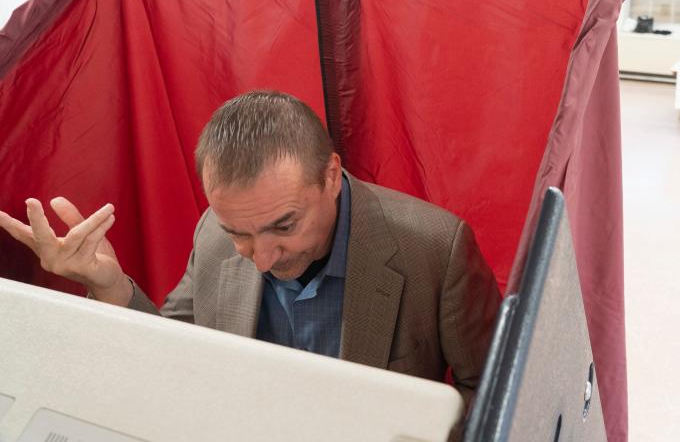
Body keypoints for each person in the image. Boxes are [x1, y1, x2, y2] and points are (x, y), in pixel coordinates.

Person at [0, 90, 502, 411]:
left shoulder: (437, 247)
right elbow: (176, 351)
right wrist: (106, 284)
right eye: (239, 231)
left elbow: (495, 394)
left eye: (283, 225)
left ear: (330, 176)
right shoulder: (215, 232)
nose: (261, 258)